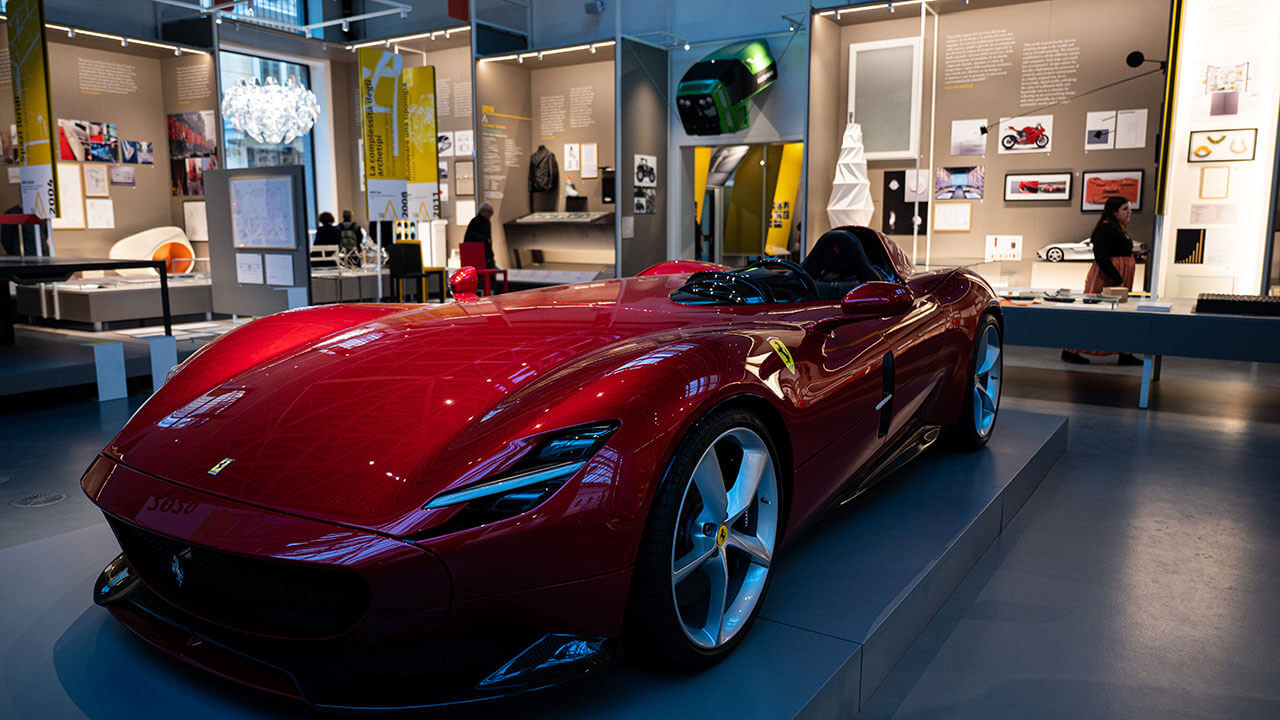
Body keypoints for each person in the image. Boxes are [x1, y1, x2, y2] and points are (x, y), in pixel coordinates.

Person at [1062, 195, 1142, 366]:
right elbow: (1102, 256)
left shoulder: (1118, 228)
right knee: (1092, 315)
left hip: (1117, 277)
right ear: (1113, 212)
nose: (1130, 212)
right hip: (1107, 278)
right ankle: (1070, 350)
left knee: (1121, 316)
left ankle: (1124, 352)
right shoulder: (1105, 229)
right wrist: (1117, 276)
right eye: (1125, 209)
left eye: (1129, 208)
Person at [464, 202, 497, 269]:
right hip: (476, 254)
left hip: (486, 254)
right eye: (490, 212)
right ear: (483, 211)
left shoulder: (487, 222)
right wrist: (484, 239)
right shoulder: (475, 221)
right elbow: (470, 236)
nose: (491, 215)